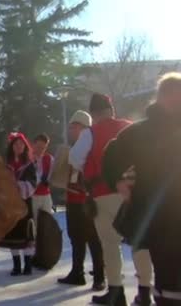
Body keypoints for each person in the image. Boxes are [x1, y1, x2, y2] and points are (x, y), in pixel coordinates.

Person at [103, 72, 181, 306]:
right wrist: (118, 181)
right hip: (159, 217)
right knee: (169, 278)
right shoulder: (141, 132)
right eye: (171, 97)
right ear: (161, 98)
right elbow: (112, 155)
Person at [69, 93, 153, 306]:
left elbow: (75, 158)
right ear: (111, 110)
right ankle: (145, 292)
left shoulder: (91, 132)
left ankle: (116, 293)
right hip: (134, 193)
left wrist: (89, 168)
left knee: (110, 244)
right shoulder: (130, 126)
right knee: (139, 242)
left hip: (103, 193)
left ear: (94, 114)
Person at [57, 110, 105, 291]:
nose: (71, 130)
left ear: (85, 128)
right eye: (70, 127)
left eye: (74, 126)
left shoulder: (92, 147)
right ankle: (77, 273)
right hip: (73, 200)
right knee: (76, 238)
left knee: (94, 239)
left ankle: (99, 276)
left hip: (88, 200)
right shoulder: (69, 149)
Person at [0, 132, 37, 276]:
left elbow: (33, 183)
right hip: (11, 204)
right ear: (12, 146)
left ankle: (27, 264)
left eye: (21, 144)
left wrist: (17, 186)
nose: (19, 146)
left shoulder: (29, 165)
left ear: (25, 146)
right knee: (13, 233)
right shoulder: (6, 164)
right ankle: (16, 264)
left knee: (26, 233)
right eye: (16, 144)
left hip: (25, 203)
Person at [32, 133, 54, 220]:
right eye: (39, 146)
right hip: (33, 196)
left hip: (46, 195)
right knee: (34, 221)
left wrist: (49, 180)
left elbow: (53, 175)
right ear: (34, 144)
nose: (41, 150)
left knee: (47, 220)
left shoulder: (49, 158)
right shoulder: (28, 158)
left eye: (44, 147)